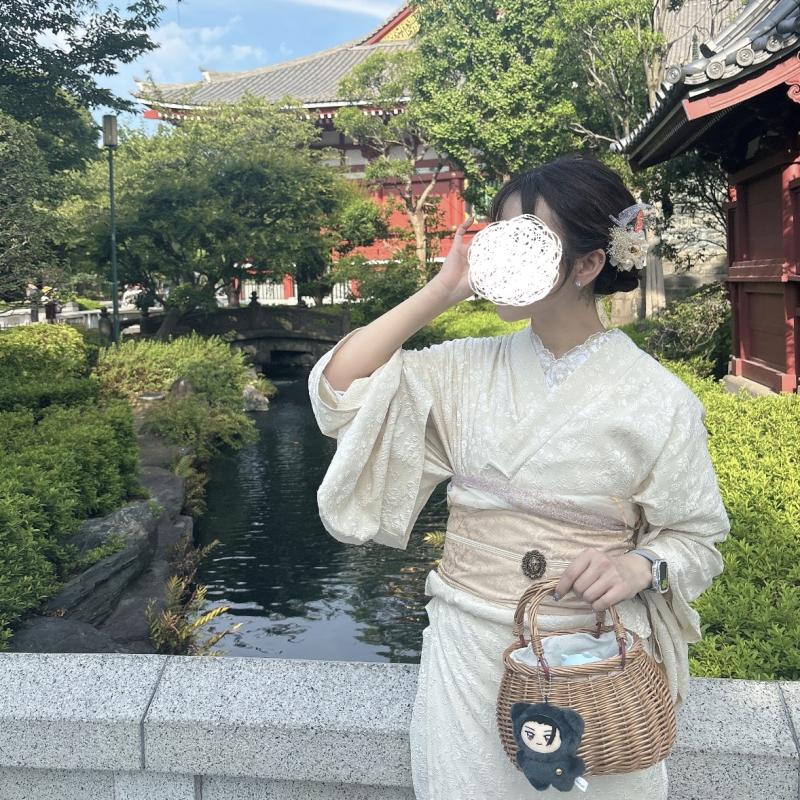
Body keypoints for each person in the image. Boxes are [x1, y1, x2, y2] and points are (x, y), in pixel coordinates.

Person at [307, 153, 730, 799]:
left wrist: (639, 567)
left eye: (527, 243)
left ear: (588, 264)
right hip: (467, 646)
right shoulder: (463, 369)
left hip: (591, 653)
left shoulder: (659, 399)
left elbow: (697, 538)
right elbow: (340, 390)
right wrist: (443, 290)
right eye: (499, 241)